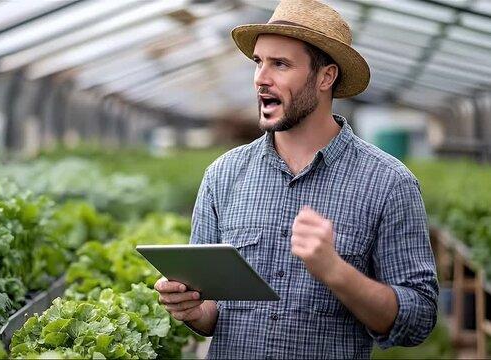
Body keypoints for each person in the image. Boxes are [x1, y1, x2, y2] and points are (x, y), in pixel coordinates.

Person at [153, 0, 439, 358]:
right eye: (259, 62)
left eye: (281, 64)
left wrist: (336, 272)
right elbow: (213, 311)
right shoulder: (223, 175)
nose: (261, 78)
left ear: (325, 77)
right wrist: (193, 310)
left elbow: (420, 319)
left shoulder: (389, 183)